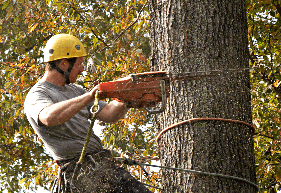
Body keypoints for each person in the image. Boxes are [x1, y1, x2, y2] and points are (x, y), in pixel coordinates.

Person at [24, 34, 151, 192]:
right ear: (64, 63)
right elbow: (49, 117)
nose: (82, 69)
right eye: (79, 63)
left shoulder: (76, 90)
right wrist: (88, 96)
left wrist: (127, 97)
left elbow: (109, 114)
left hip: (102, 166)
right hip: (79, 174)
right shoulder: (38, 94)